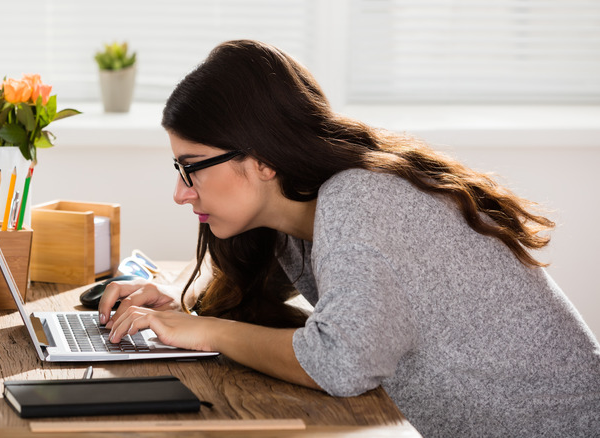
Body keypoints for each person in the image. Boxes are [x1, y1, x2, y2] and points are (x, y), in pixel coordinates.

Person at [97, 40, 600, 436]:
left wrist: (202, 331)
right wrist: (176, 310)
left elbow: (342, 362)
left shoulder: (361, 199)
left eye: (190, 168)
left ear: (262, 159)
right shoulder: (296, 221)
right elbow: (263, 306)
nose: (180, 194)